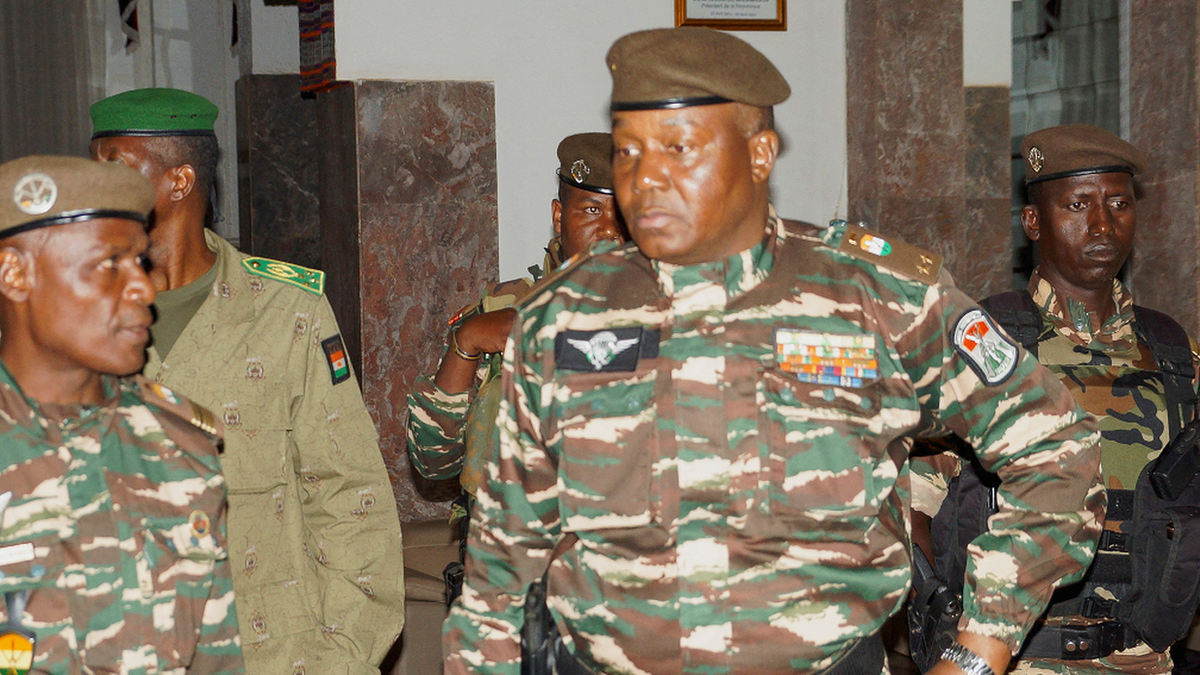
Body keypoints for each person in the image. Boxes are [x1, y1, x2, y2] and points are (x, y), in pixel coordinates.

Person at [444, 27, 1106, 675]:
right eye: (629, 153)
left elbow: (1058, 451)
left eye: (679, 149)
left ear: (759, 154)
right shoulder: (567, 312)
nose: (647, 180)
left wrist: (978, 648)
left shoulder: (879, 296)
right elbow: (505, 550)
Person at [88, 88, 405, 675]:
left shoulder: (286, 313)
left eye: (115, 173)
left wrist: (340, 662)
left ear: (179, 182)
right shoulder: (72, 319)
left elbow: (351, 502)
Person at [911, 124, 1200, 675]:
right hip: (1008, 660)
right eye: (1078, 204)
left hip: (1144, 660)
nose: (1102, 224)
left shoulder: (1175, 352)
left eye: (1118, 203)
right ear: (1033, 222)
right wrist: (940, 626)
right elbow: (910, 508)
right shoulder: (985, 342)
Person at [0, 155, 243, 674]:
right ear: (15, 274)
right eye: (111, 264)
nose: (144, 289)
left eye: (141, 262)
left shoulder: (179, 446)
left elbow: (214, 659)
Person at [406, 132, 625, 498]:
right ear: (558, 216)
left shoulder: (673, 311)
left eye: (625, 215)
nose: (609, 231)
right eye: (591, 210)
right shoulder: (503, 308)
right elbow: (433, 462)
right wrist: (467, 341)